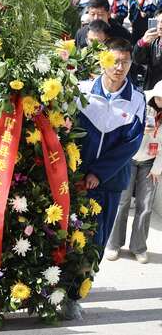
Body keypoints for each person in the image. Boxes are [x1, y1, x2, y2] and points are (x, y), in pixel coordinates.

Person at [67, 38, 144, 319]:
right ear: (103, 60)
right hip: (76, 180)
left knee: (96, 241)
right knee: (69, 238)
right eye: (114, 61)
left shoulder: (136, 99)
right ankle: (59, 289)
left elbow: (131, 144)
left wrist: (98, 173)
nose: (119, 67)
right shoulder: (83, 91)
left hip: (109, 183)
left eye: (125, 61)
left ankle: (75, 295)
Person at [105, 80, 162, 264]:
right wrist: (141, 130)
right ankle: (113, 244)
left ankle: (139, 247)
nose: (161, 101)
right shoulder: (140, 104)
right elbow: (123, 127)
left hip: (150, 163)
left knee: (145, 207)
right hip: (129, 159)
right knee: (122, 202)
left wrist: (158, 167)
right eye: (159, 97)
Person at [133, 8, 162, 90]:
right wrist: (142, 43)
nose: (160, 26)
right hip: (151, 88)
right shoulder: (152, 41)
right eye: (157, 22)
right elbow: (137, 60)